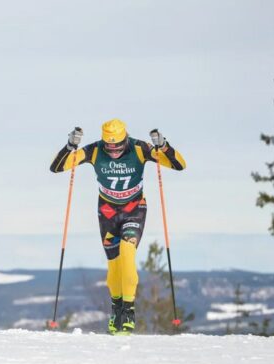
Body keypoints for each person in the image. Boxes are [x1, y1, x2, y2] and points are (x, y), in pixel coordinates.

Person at [50, 119, 186, 335]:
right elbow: (56, 168)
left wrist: (164, 146)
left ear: (125, 140)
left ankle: (129, 312)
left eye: (118, 146)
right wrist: (70, 146)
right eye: (109, 147)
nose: (113, 151)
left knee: (127, 253)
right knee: (113, 265)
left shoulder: (139, 149)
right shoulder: (95, 151)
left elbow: (179, 165)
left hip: (134, 209)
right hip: (107, 213)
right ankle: (116, 310)